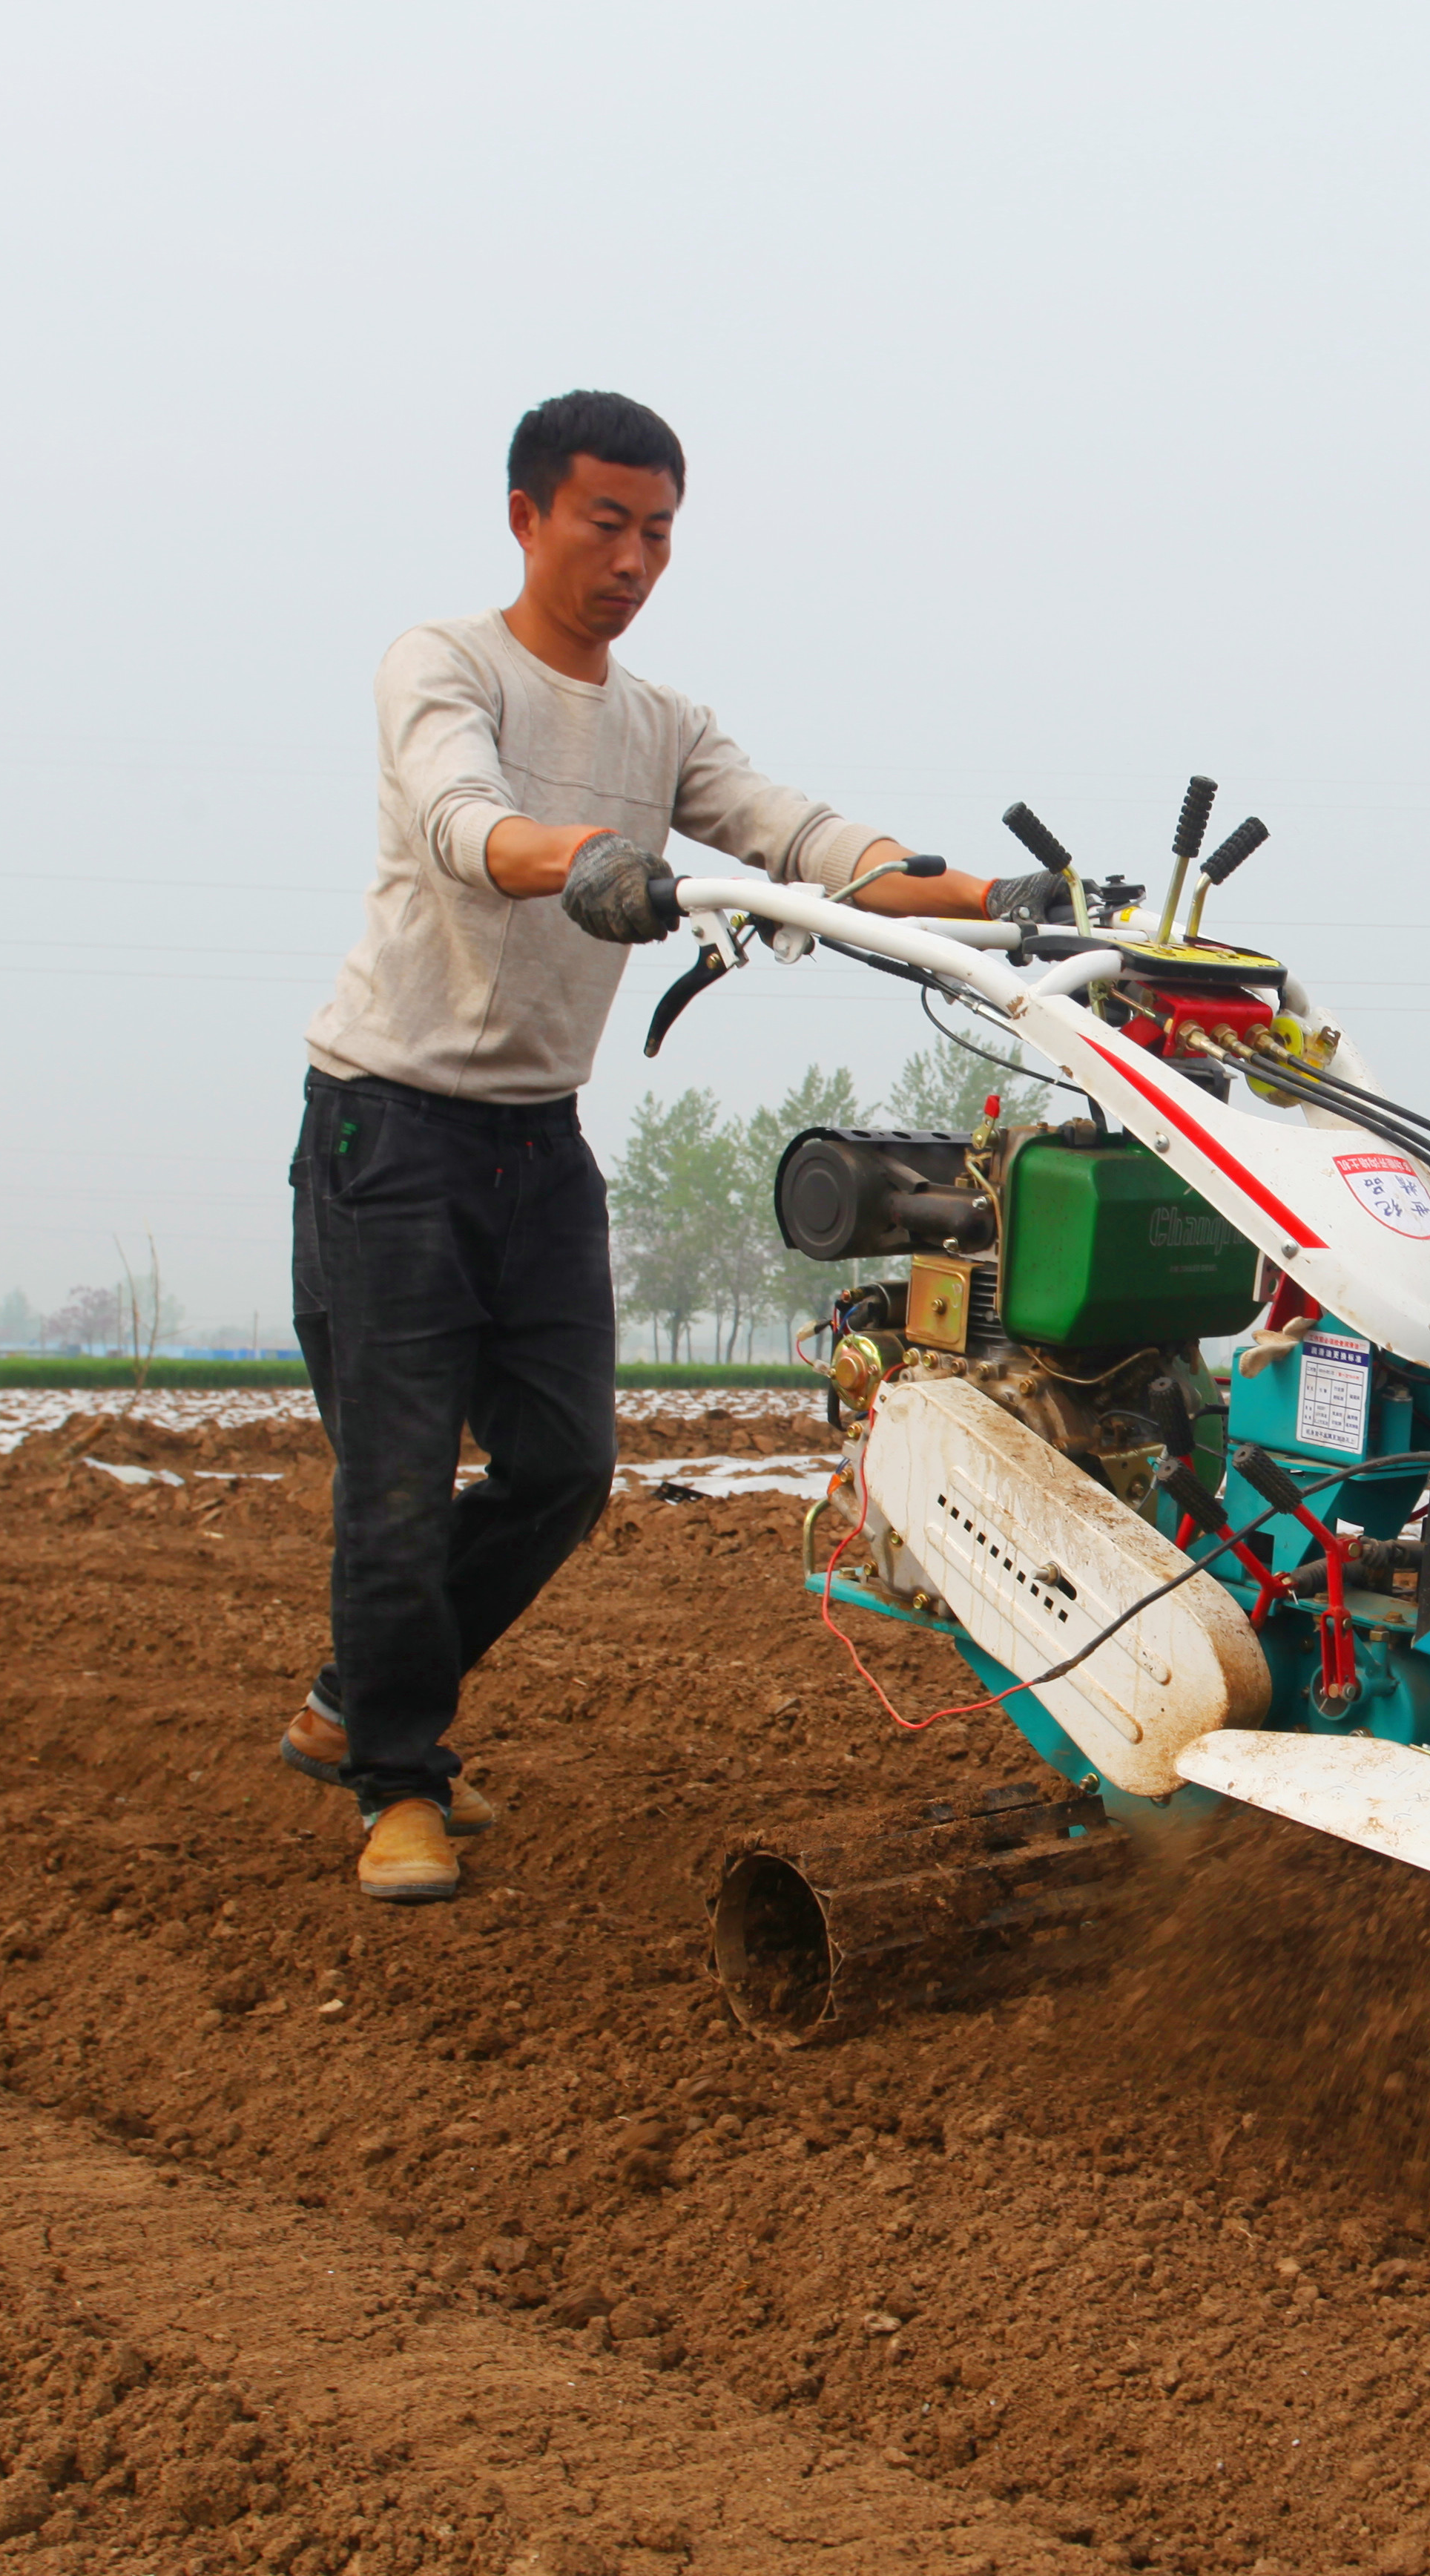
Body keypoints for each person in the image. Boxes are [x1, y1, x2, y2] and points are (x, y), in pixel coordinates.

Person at [283, 389, 1046, 1903]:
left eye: (660, 532)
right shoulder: (445, 666)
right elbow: (460, 821)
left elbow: (799, 839)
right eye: (606, 523)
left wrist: (986, 900)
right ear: (527, 516)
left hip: (535, 1142)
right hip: (391, 1131)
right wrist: (588, 859)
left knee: (566, 1467)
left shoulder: (661, 725)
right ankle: (396, 1780)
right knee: (397, 1481)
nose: (633, 559)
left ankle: (351, 1702)